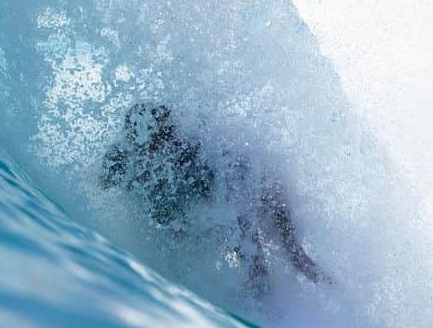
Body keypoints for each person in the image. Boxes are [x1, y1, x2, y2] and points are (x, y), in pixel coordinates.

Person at [100, 102, 330, 295]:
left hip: (264, 187)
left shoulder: (197, 163)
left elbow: (243, 229)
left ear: (169, 140)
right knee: (177, 234)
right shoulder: (123, 155)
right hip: (218, 189)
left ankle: (338, 296)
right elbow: (97, 185)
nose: (153, 151)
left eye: (160, 144)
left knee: (296, 258)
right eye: (146, 145)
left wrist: (260, 286)